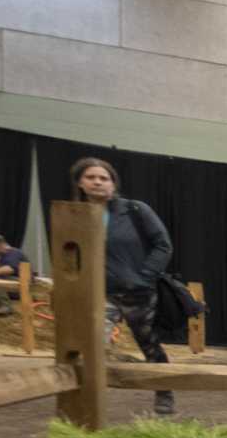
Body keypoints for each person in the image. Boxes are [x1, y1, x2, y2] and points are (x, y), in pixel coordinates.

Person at [71, 156, 176, 418]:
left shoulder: (134, 210)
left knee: (149, 345)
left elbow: (163, 244)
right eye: (91, 177)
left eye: (104, 178)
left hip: (138, 293)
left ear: (113, 183)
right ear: (80, 183)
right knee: (94, 343)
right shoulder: (73, 215)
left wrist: (144, 276)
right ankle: (87, 403)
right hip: (100, 293)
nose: (97, 182)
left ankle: (164, 393)